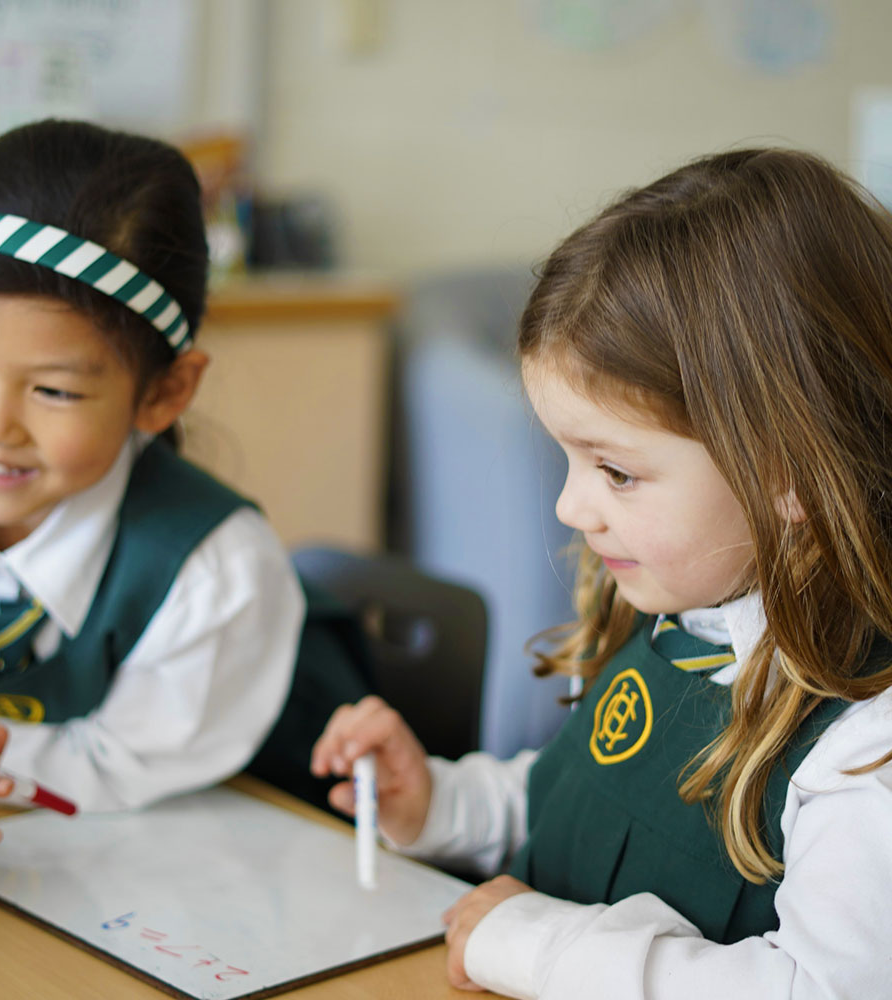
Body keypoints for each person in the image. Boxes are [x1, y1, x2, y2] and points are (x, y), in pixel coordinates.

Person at [311, 147, 892, 998]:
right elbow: (576, 794)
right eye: (568, 460)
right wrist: (435, 802)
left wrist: (535, 945)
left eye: (616, 471)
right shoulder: (679, 620)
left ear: (787, 474)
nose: (571, 509)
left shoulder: (864, 747)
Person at [0, 118, 369, 885]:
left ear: (166, 392)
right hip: (56, 850)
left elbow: (118, 771)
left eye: (54, 389)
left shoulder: (216, 569)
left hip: (254, 855)